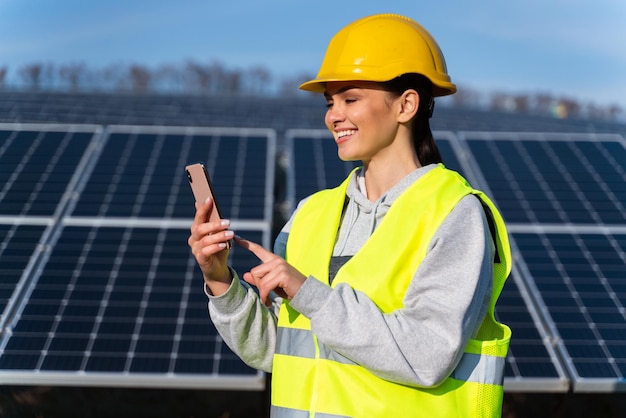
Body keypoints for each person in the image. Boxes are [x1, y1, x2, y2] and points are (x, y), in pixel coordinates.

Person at [188, 13, 512, 418]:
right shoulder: (311, 214)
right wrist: (220, 281)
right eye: (330, 102)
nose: (333, 116)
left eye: (350, 99)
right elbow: (278, 350)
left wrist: (308, 293)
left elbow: (427, 355)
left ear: (406, 104)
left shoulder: (454, 213)